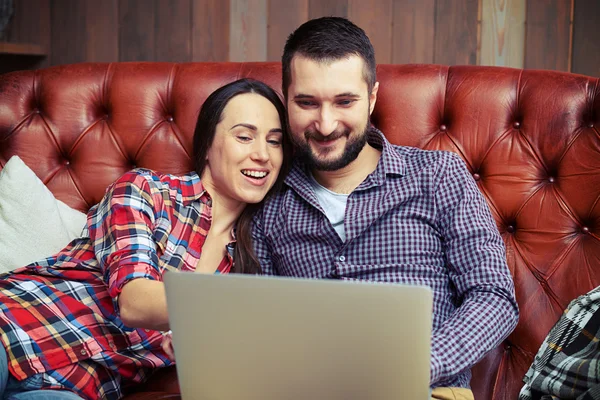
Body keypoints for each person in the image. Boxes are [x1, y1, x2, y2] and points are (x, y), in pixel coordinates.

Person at [252, 17, 519, 398]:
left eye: (345, 102)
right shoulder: (269, 202)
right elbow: (261, 325)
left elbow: (494, 297)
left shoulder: (437, 175)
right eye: (307, 103)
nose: (326, 125)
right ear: (287, 99)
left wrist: (414, 364)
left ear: (372, 98)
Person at [0, 78, 291, 400]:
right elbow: (135, 301)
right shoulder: (146, 190)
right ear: (208, 145)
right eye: (245, 137)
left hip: (68, 387)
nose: (263, 154)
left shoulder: (251, 261)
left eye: (275, 142)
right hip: (13, 325)